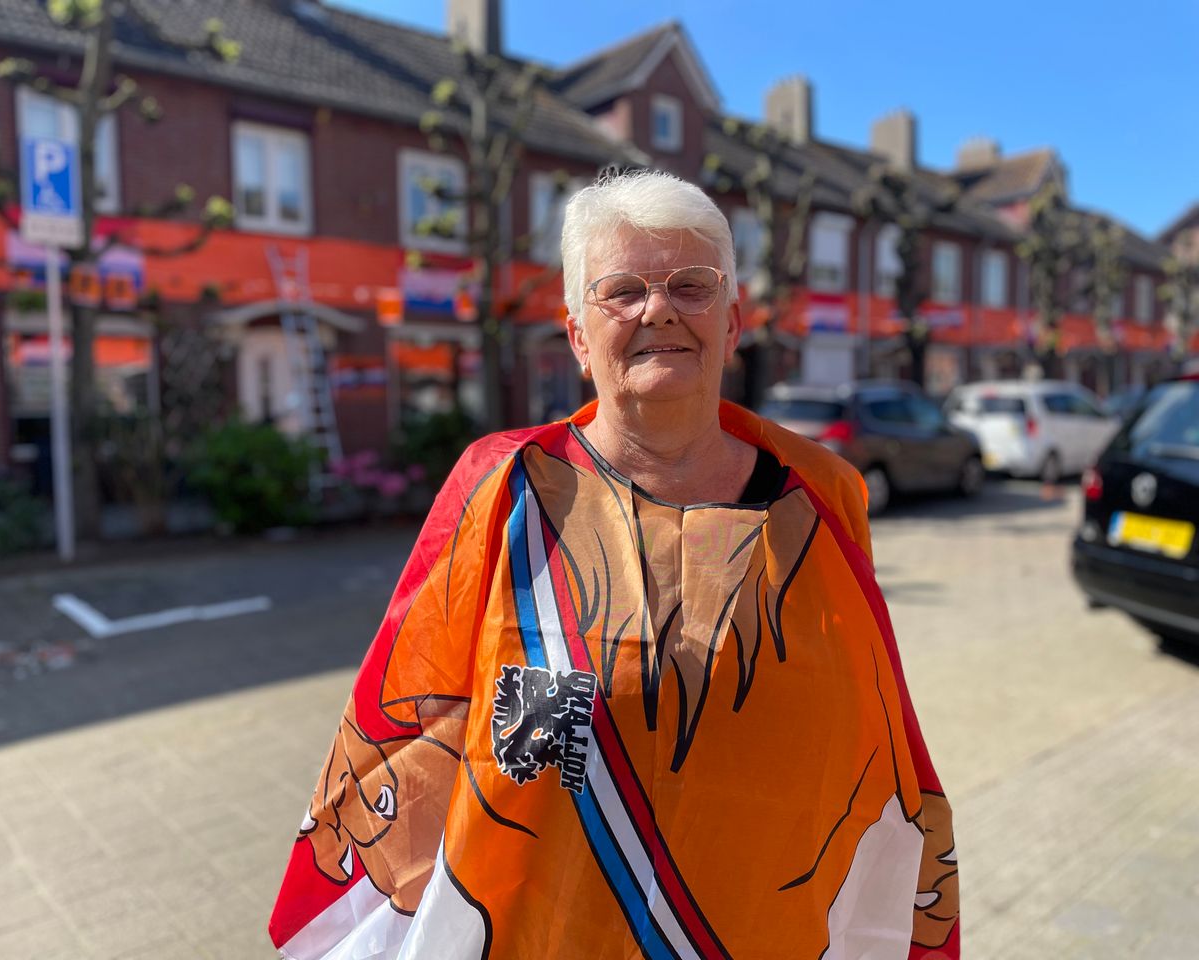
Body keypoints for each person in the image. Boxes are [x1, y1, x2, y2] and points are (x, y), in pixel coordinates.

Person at [269, 170, 959, 960]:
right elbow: (420, 724)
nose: (659, 308)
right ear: (576, 336)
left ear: (733, 324)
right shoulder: (503, 491)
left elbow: (873, 724)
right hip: (554, 925)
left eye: (691, 287)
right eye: (621, 290)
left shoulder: (825, 495)